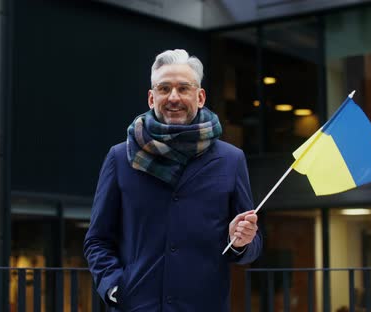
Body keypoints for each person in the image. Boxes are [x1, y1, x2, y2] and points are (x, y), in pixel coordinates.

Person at [84, 49, 262, 311]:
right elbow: (97, 240)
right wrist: (114, 288)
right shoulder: (120, 157)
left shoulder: (231, 159)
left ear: (200, 97)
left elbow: (253, 244)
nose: (173, 97)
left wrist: (242, 241)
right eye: (164, 88)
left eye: (183, 88)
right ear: (151, 97)